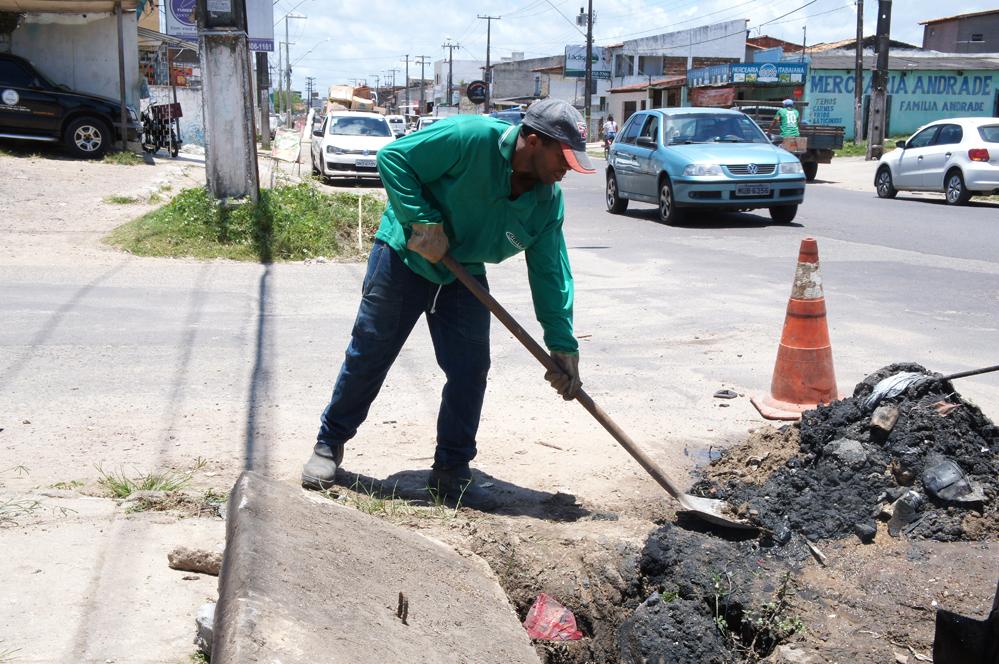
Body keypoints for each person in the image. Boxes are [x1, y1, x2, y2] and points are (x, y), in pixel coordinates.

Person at [301, 98, 596, 509]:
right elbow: (394, 158)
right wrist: (422, 220)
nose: (568, 169)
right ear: (532, 141)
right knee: (371, 351)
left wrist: (562, 344)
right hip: (404, 256)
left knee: (470, 369)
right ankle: (329, 443)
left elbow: (550, 273)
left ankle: (451, 470)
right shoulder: (469, 137)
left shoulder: (547, 202)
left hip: (463, 271)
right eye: (563, 158)